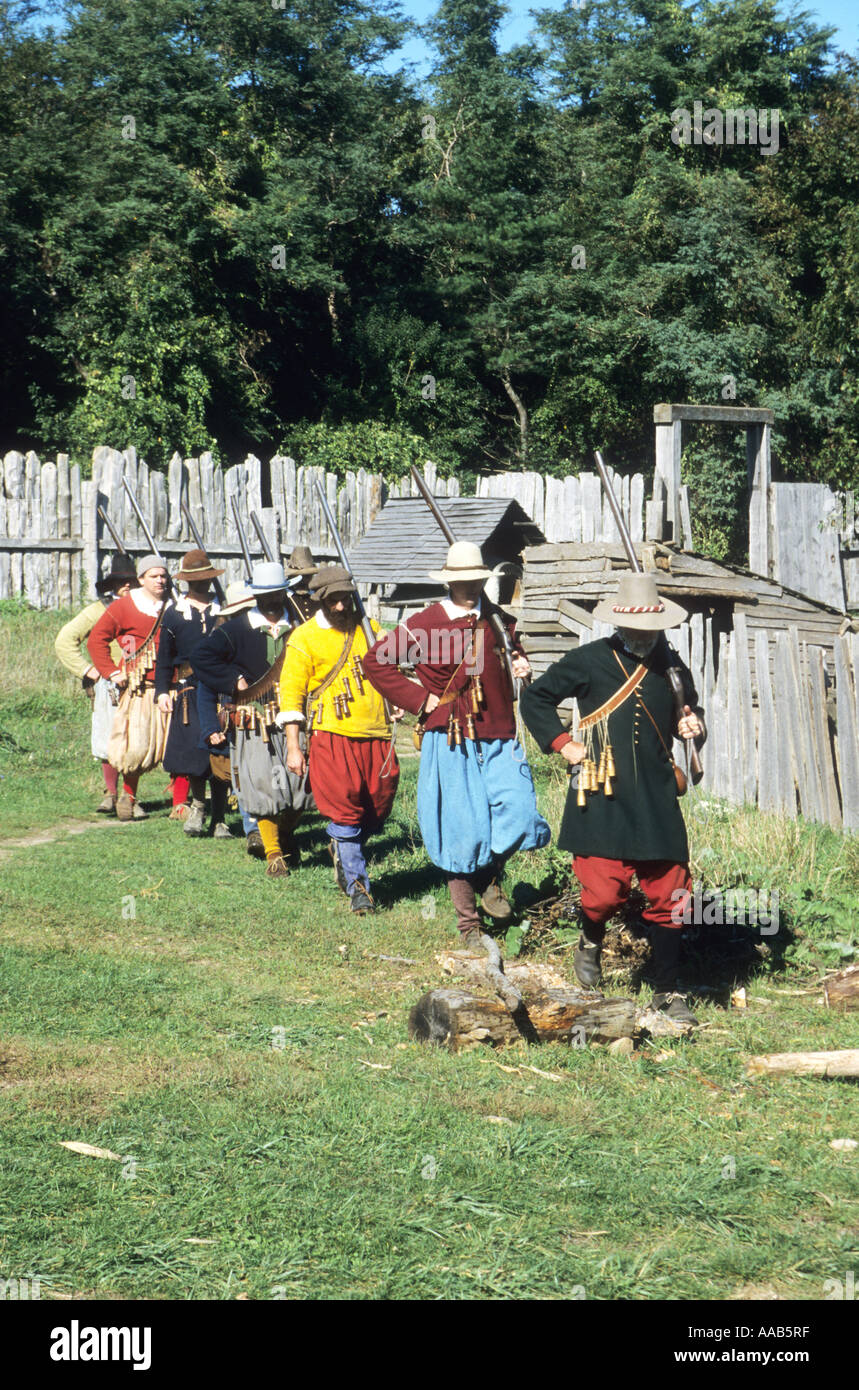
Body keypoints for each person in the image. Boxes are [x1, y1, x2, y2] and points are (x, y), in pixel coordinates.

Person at [519, 571, 706, 1025]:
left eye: (651, 626)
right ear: (619, 622)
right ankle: (590, 940)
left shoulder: (674, 669)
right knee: (601, 894)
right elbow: (536, 700)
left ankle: (667, 987)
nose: (643, 634)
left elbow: (690, 712)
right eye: (635, 625)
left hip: (657, 796)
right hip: (600, 791)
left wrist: (693, 726)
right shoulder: (589, 660)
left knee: (672, 892)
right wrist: (563, 743)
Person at [362, 540, 550, 944]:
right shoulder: (425, 624)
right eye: (461, 580)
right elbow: (376, 661)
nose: (468, 587)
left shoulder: (499, 620)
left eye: (475, 579)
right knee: (460, 829)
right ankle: (469, 924)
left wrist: (518, 659)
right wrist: (420, 700)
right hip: (449, 736)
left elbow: (509, 655)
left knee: (518, 813)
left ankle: (488, 876)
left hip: (499, 733)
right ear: (449, 582)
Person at [278, 565, 400, 914]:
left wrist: (396, 702)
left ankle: (341, 848)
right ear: (320, 600)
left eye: (346, 598)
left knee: (376, 809)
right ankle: (359, 887)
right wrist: (293, 746)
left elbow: (389, 672)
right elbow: (291, 697)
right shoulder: (303, 638)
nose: (341, 607)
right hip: (332, 735)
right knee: (345, 810)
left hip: (377, 734)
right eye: (333, 600)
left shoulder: (370, 629)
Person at [192, 560, 312, 877]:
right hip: (253, 722)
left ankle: (284, 835)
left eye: (277, 593)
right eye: (267, 594)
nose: (273, 599)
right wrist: (232, 679)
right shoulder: (234, 630)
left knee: (301, 788)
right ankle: (274, 853)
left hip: (297, 717)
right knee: (262, 788)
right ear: (257, 596)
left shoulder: (302, 627)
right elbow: (201, 658)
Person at [87, 553, 171, 821]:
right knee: (132, 742)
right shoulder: (124, 606)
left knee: (163, 745)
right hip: (134, 686)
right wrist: (111, 672)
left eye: (163, 575)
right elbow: (96, 640)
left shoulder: (173, 606)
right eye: (154, 576)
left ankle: (181, 801)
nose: (160, 580)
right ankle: (127, 797)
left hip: (168, 685)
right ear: (141, 579)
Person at [54, 556, 139, 814]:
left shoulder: (144, 608)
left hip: (139, 682)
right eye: (121, 582)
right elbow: (65, 640)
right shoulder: (98, 610)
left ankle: (130, 796)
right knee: (107, 738)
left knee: (136, 740)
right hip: (109, 684)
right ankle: (110, 793)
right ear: (112, 584)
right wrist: (89, 670)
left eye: (130, 581)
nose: (126, 586)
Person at [154, 548, 230, 836]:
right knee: (196, 753)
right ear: (187, 581)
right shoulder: (174, 614)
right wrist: (162, 691)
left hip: (221, 690)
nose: (202, 584)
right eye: (196, 580)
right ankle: (198, 809)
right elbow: (164, 658)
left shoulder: (224, 611)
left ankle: (220, 817)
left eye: (206, 578)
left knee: (220, 750)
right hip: (188, 691)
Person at [195, 580, 264, 858]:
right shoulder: (218, 653)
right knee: (243, 778)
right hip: (235, 726)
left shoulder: (261, 644)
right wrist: (212, 728)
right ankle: (253, 829)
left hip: (266, 720)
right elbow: (205, 693)